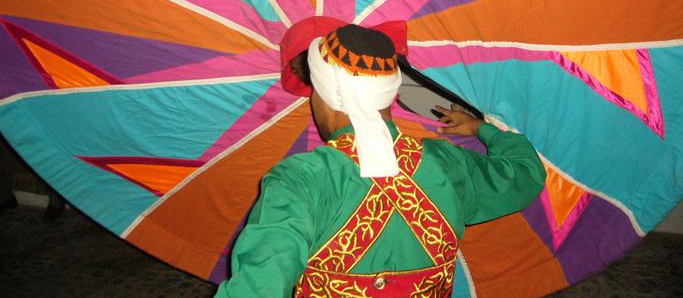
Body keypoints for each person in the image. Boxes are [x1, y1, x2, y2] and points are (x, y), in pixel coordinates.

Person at [215, 23, 546, 297]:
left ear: (322, 93)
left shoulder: (299, 180)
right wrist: (480, 128)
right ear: (392, 94)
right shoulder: (448, 164)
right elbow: (526, 172)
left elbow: (260, 284)